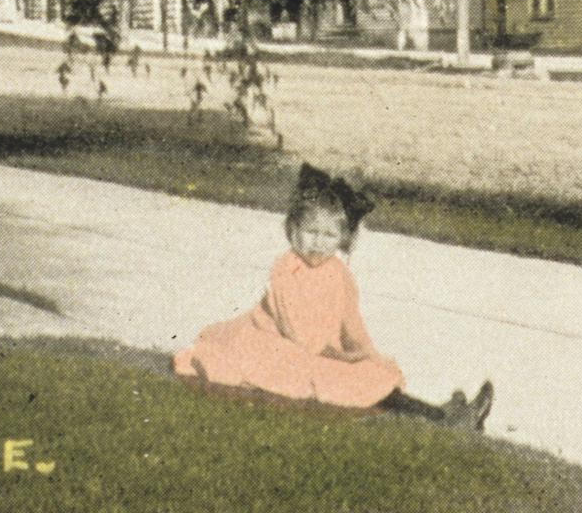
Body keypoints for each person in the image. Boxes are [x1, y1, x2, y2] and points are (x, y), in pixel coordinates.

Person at [175, 164, 492, 431]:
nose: (317, 244)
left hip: (316, 350)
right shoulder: (287, 268)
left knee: (368, 372)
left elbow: (351, 325)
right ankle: (439, 417)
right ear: (293, 229)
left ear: (342, 238)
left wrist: (365, 354)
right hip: (277, 345)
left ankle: (439, 413)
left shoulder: (338, 273)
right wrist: (341, 357)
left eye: (329, 236)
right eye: (310, 232)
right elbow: (297, 331)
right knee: (337, 377)